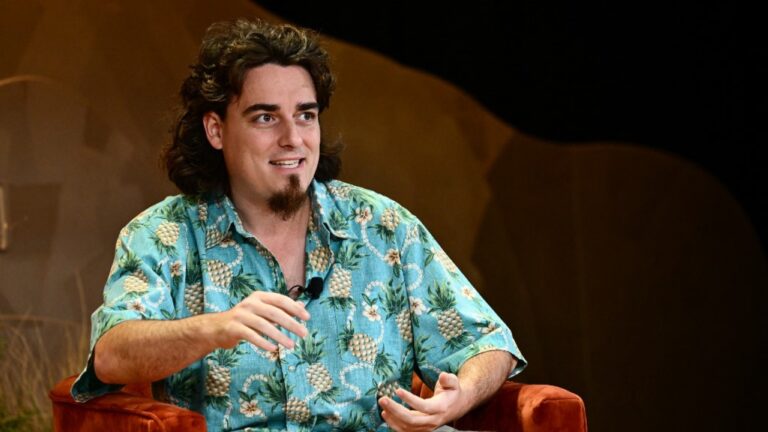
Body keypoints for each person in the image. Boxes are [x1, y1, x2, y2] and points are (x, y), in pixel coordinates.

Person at [72, 18, 526, 431]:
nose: (292, 139)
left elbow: (488, 343)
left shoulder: (383, 226)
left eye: (305, 115)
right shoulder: (164, 234)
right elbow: (111, 355)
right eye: (266, 117)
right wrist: (215, 328)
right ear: (216, 130)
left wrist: (460, 396)